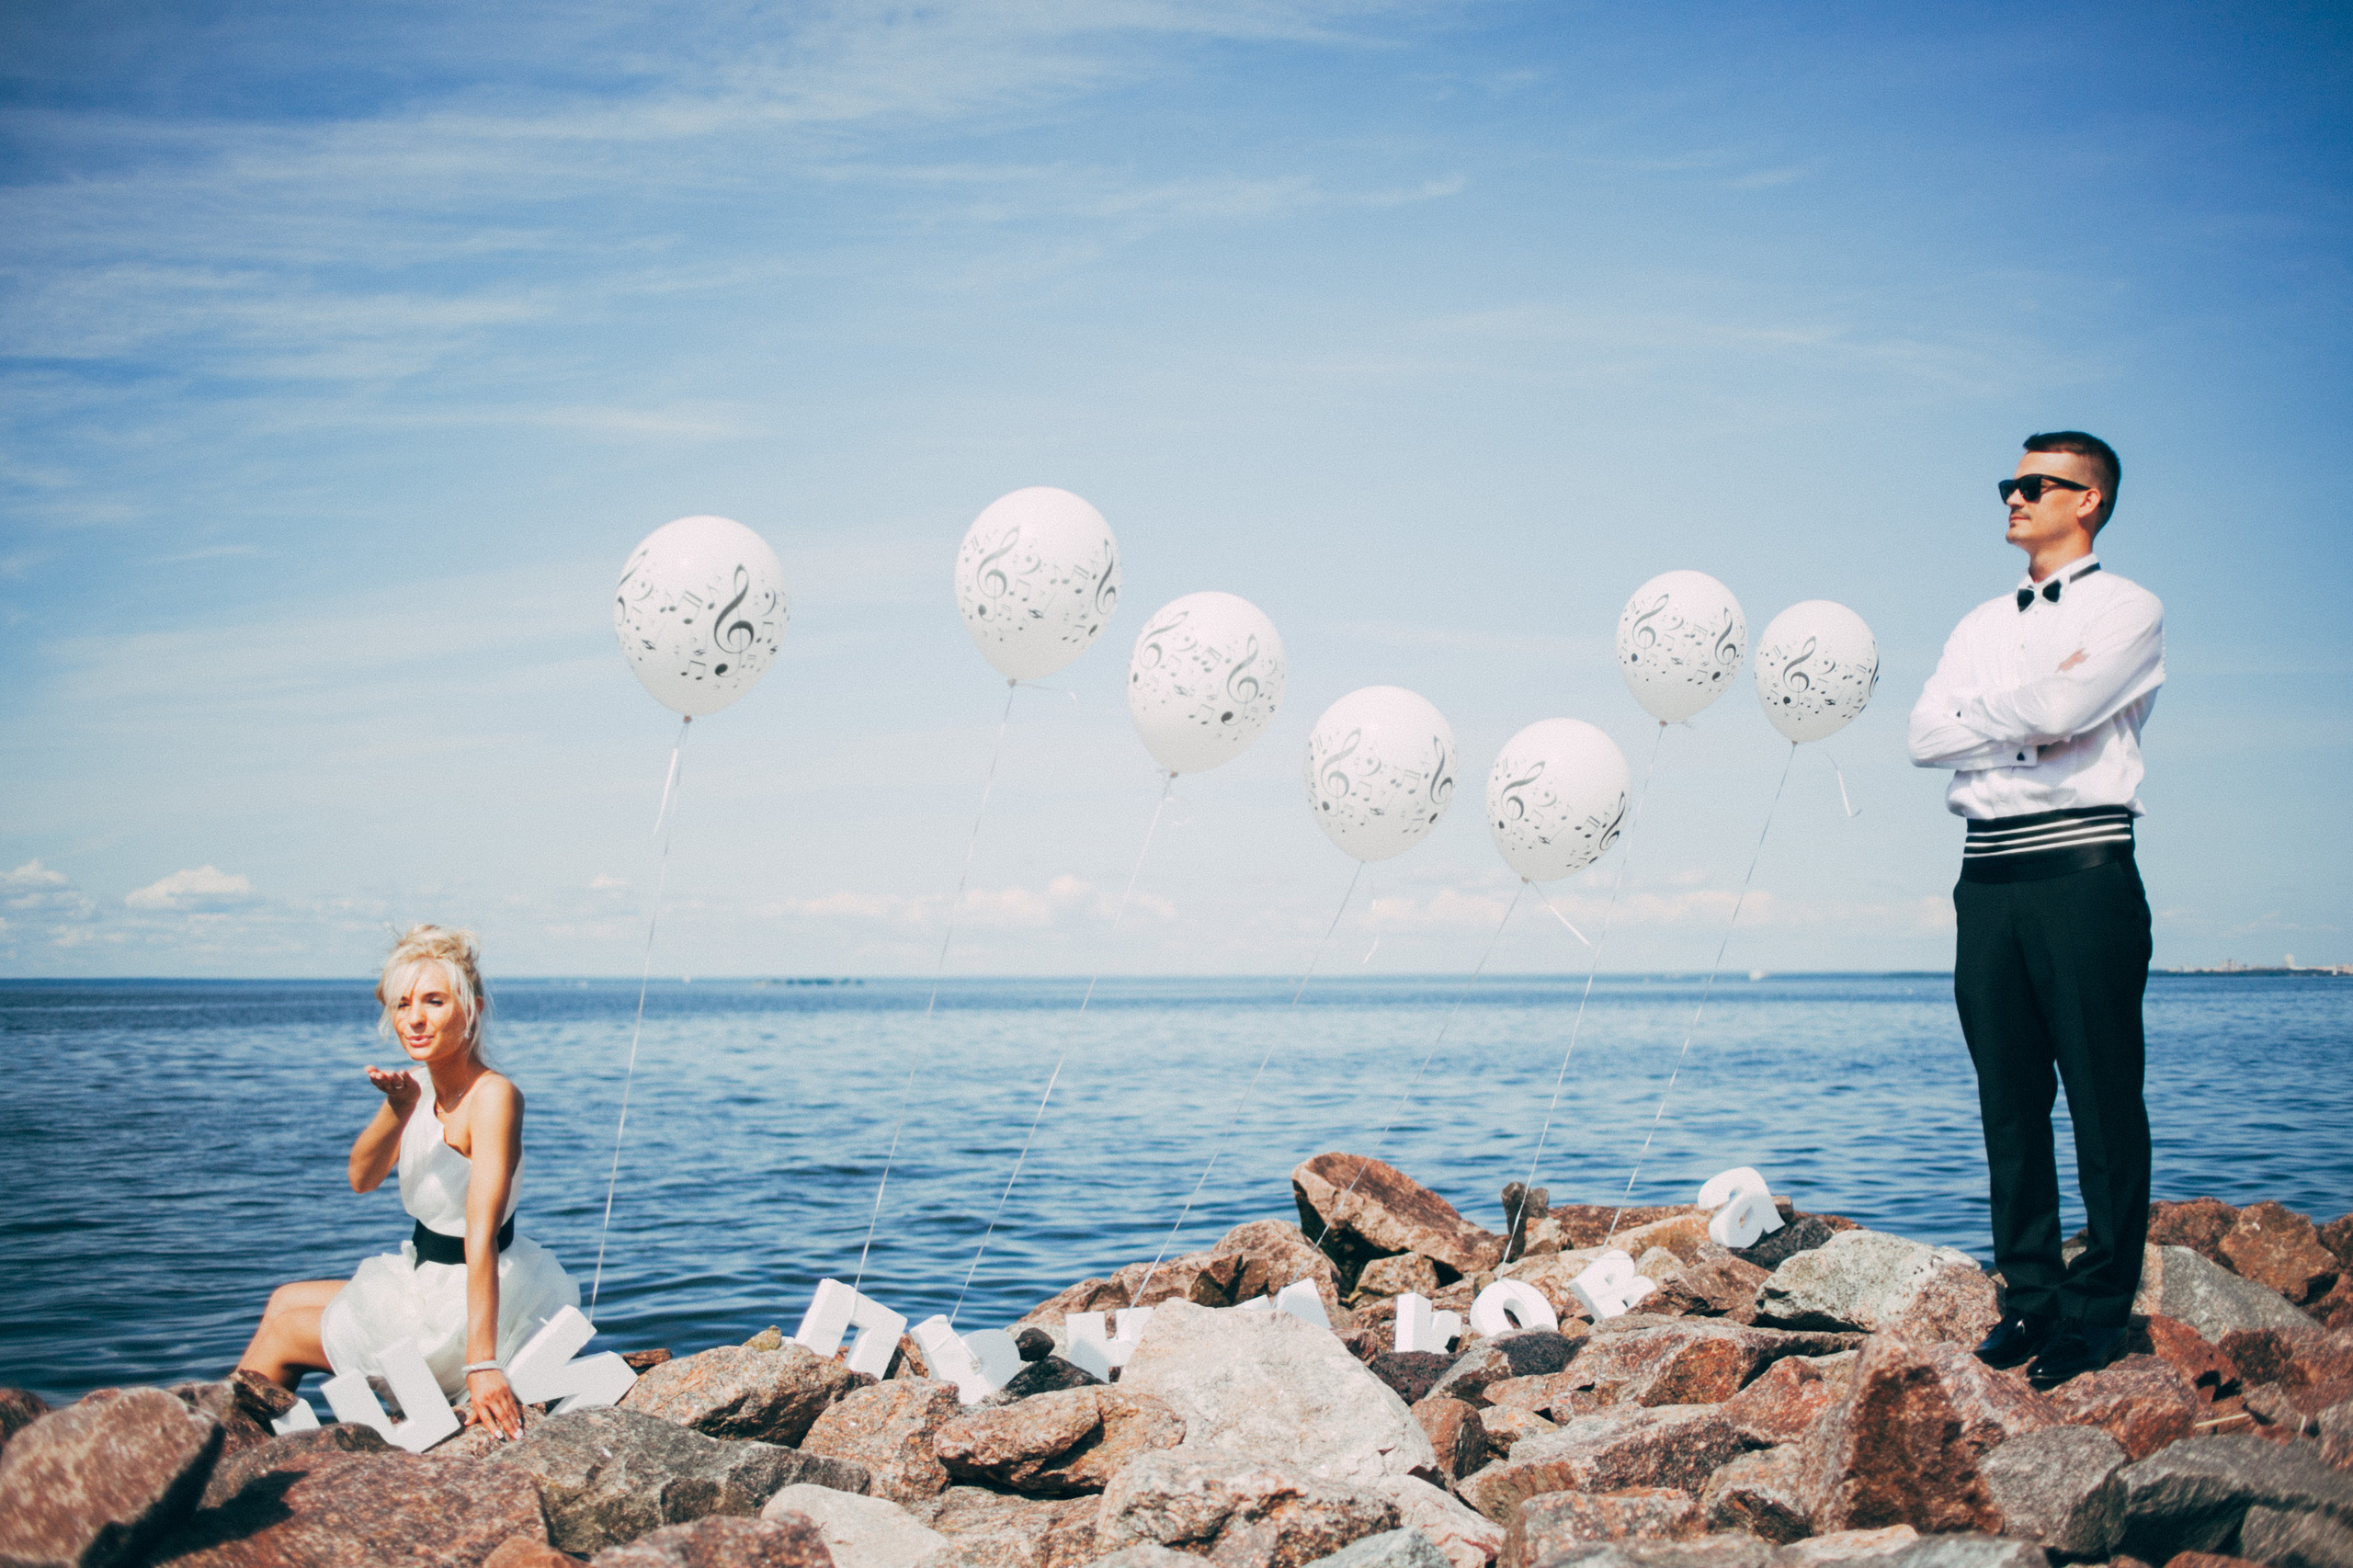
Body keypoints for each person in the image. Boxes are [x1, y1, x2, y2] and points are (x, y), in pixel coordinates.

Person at [1908, 430, 2164, 1389]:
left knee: (2101, 1096)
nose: (2011, 498)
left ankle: (2097, 1309)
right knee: (2007, 1100)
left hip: (2084, 874)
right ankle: (2028, 1293)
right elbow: (1923, 732)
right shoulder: (1977, 621)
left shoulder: (2131, 607)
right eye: (2007, 484)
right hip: (1987, 879)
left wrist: (2005, 721)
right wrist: (2029, 718)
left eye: (2033, 485)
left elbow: (2065, 710)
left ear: (2086, 499)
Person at [235, 925, 579, 1437]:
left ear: (473, 1009)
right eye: (401, 1005)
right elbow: (361, 1178)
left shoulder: (494, 1098)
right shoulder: (416, 1086)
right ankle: (242, 1445)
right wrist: (398, 1110)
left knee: (286, 1333)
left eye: (434, 1001)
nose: (414, 1018)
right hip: (425, 1276)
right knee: (286, 1297)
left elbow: (480, 1235)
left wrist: (480, 1365)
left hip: (463, 1305)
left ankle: (214, 1448)